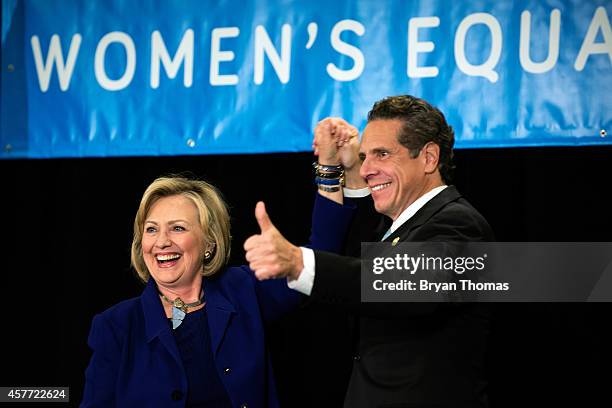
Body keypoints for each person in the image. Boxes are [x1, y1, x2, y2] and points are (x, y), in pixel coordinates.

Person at [244, 95, 495, 407]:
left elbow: (391, 283)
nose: (367, 170)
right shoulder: (402, 225)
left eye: (382, 154)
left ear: (429, 157)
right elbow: (357, 256)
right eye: (366, 156)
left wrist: (297, 262)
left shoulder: (459, 225)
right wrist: (344, 167)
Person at [81, 175, 355, 407]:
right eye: (151, 230)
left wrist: (329, 171)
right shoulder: (115, 326)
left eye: (177, 228)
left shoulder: (243, 290)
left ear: (209, 243)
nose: (161, 242)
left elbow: (320, 263)